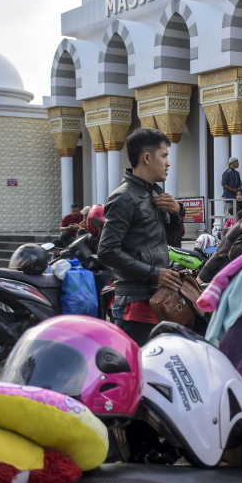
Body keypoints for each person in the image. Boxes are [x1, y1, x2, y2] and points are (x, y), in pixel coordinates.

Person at [98, 129, 185, 346]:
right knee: (139, 371)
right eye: (164, 156)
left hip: (155, 299)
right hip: (134, 305)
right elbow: (106, 251)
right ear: (147, 157)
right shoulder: (124, 197)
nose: (168, 163)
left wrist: (176, 213)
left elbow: (170, 242)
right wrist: (154, 274)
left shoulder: (153, 195)